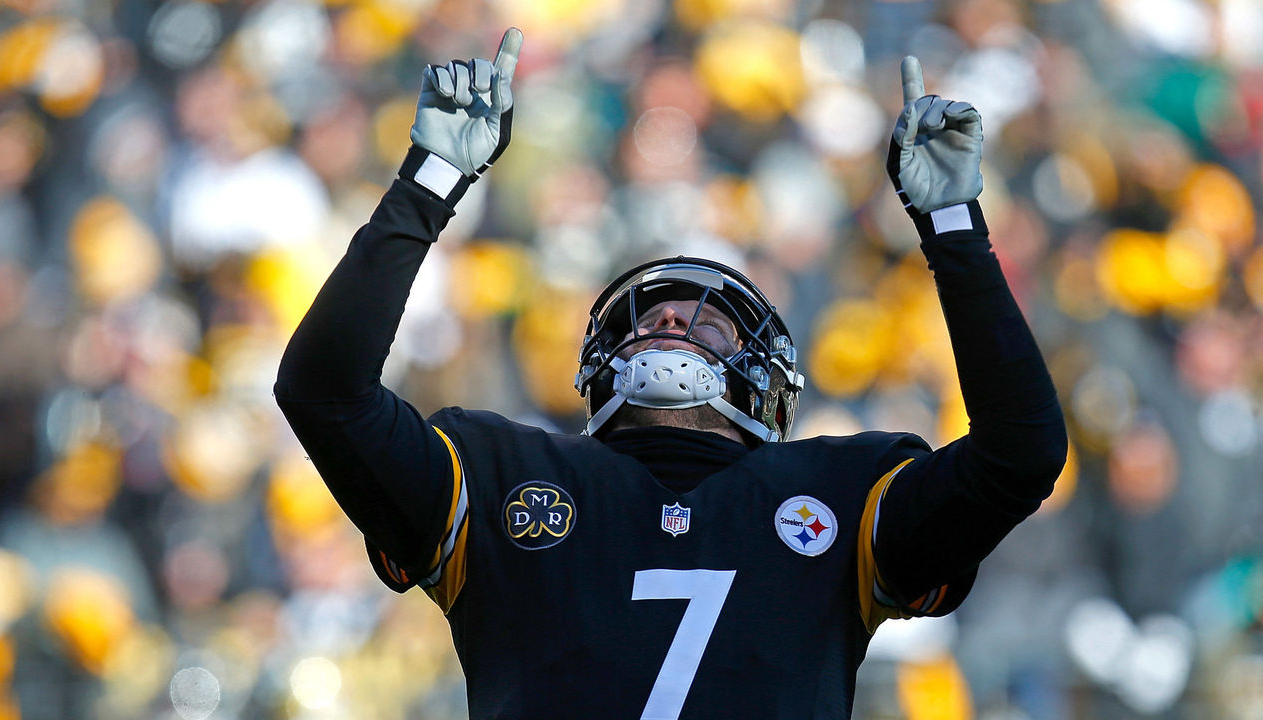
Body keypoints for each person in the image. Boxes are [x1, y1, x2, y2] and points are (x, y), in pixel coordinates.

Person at [275, 27, 1068, 719]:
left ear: (767, 379)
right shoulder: (496, 473)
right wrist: (427, 185)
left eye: (706, 322)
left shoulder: (845, 493)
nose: (667, 324)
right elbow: (322, 392)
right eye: (646, 320)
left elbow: (1020, 453)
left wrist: (954, 229)